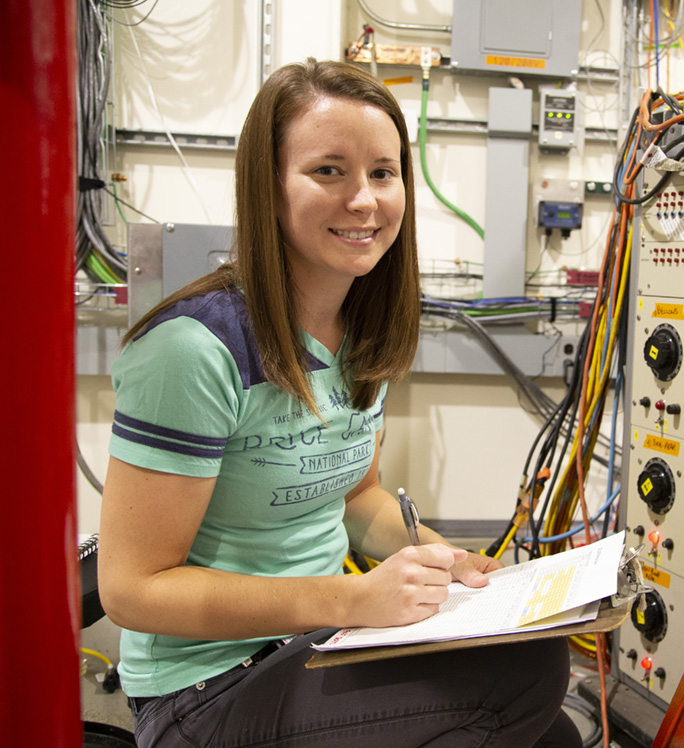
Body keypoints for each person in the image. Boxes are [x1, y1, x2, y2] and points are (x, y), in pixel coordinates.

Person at [98, 58, 581, 748]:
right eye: (329, 171)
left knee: (550, 730)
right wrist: (351, 599)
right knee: (525, 678)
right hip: (202, 693)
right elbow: (133, 589)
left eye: (383, 173)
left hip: (317, 644)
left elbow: (358, 501)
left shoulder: (363, 332)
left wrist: (456, 570)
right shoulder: (194, 350)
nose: (364, 200)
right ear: (268, 188)